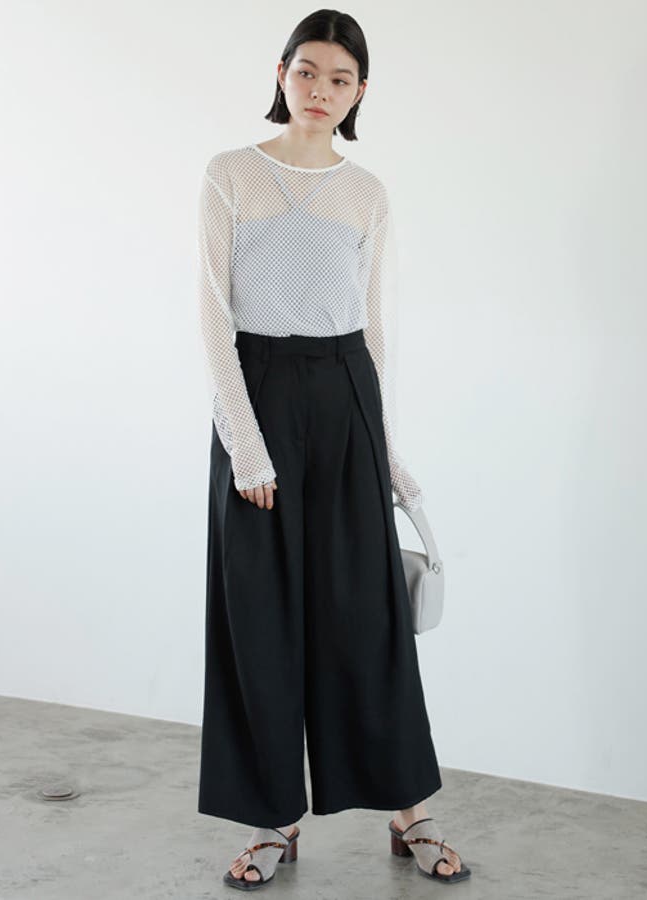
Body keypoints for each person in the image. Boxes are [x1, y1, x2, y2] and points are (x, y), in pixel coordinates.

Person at [195, 8, 471, 890]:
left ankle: (409, 811)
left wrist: (383, 447)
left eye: (339, 79)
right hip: (259, 394)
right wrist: (246, 446)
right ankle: (275, 818)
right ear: (281, 74)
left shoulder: (367, 192)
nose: (320, 90)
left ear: (360, 93)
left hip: (347, 393)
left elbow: (371, 325)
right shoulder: (231, 174)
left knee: (369, 613)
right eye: (307, 71)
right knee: (260, 616)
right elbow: (213, 318)